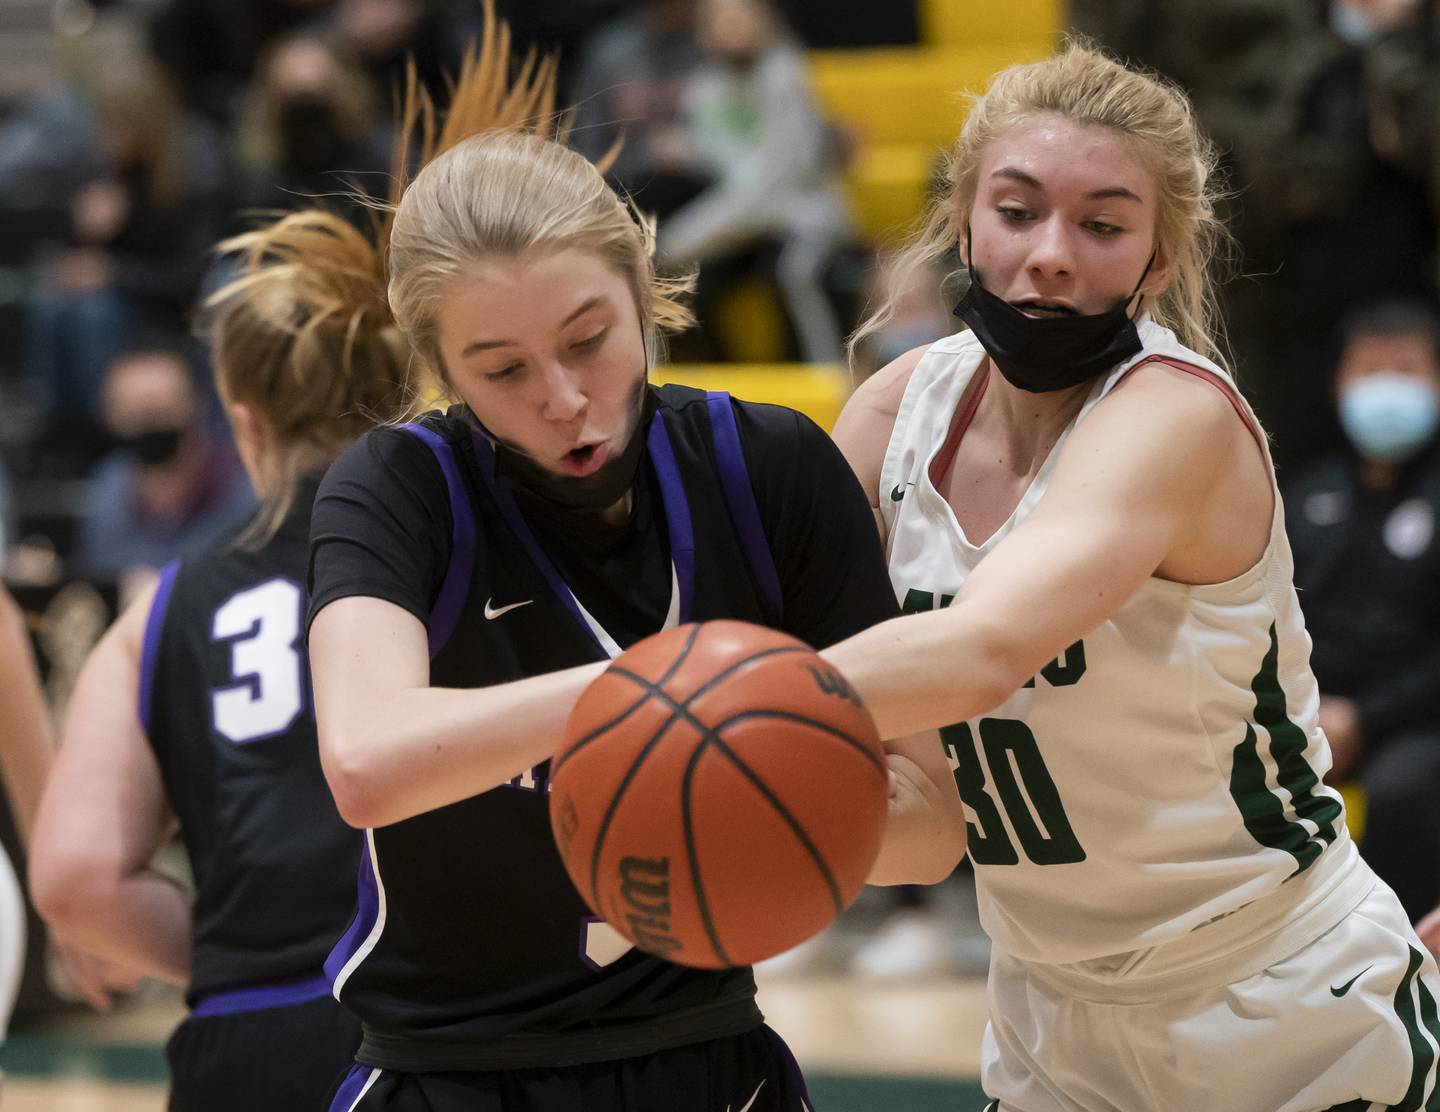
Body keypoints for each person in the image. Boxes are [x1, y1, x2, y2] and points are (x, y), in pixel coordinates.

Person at [304, 30, 966, 1112]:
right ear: (441, 370)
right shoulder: (395, 487)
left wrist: (762, 799)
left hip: (710, 1057)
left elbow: (930, 832)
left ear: (642, 286)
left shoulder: (767, 466)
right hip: (451, 1068)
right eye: (503, 368)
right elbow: (367, 763)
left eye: (589, 337)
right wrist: (675, 698)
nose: (561, 395)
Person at [821, 42, 1440, 1110]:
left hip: (1277, 993)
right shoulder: (890, 417)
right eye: (1016, 211)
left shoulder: (1175, 414)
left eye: (1103, 224)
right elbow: (926, 828)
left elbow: (983, 649)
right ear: (965, 217)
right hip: (1048, 1013)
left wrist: (690, 706)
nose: (1052, 255)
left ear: (1157, 259)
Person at [25, 48, 439, 1104]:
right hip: (443, 1021)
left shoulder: (165, 604)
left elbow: (74, 876)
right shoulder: (467, 553)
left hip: (246, 1041)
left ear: (244, 423)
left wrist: (230, 955)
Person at [1286, 299, 1440, 923]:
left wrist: (1366, 719)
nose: (1385, 389)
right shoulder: (1309, 495)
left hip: (1416, 724)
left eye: (1405, 371)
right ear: (1338, 384)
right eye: (1369, 372)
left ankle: (1398, 949)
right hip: (1313, 713)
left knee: (1406, 789)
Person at [77, 339, 256, 593]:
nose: (149, 425)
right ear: (108, 416)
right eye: (133, 414)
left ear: (196, 403)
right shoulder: (109, 485)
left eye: (162, 410)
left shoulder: (243, 489)